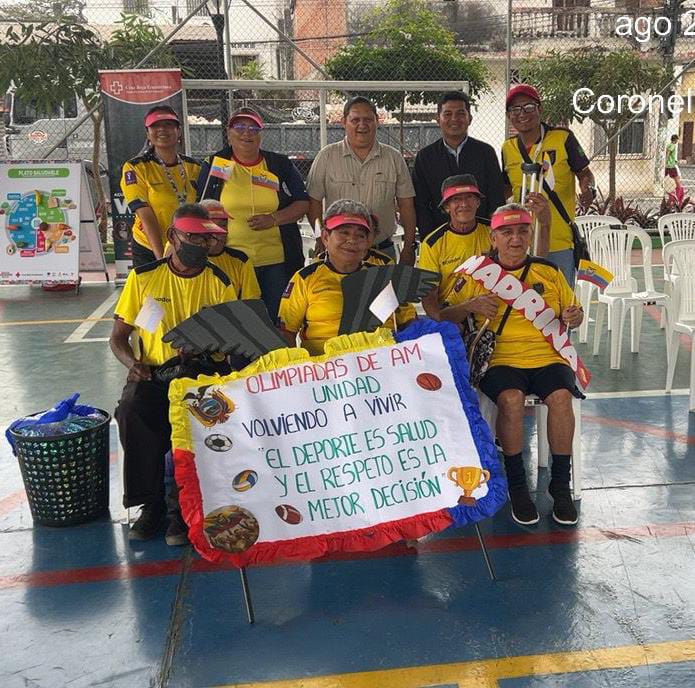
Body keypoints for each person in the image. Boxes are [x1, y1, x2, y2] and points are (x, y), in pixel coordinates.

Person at [433, 203, 583, 527]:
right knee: (511, 399)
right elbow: (442, 315)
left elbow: (575, 313)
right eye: (506, 232)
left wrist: (574, 316)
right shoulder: (475, 273)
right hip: (498, 358)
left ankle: (560, 485)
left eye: (522, 231)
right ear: (493, 237)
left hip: (547, 356)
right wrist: (471, 305)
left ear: (530, 234)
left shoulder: (549, 271)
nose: (515, 239)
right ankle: (517, 485)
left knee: (561, 398)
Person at [110, 204, 237, 545]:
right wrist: (133, 364)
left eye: (205, 238)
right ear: (173, 237)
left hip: (201, 373)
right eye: (192, 236)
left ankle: (184, 506)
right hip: (154, 373)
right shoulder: (143, 278)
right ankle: (150, 504)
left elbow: (230, 343)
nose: (200, 244)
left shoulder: (220, 282)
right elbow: (118, 339)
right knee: (131, 411)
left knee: (206, 418)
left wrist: (205, 347)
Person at [197, 107, 309, 321]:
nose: (246, 133)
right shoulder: (217, 164)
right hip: (232, 261)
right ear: (229, 133)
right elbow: (202, 208)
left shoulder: (279, 164)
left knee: (277, 320)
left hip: (276, 261)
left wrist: (274, 219)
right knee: (237, 321)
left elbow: (303, 202)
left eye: (253, 128)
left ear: (261, 134)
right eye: (239, 127)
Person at [279, 199, 416, 354]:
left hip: (381, 362)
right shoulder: (305, 279)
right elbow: (286, 331)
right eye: (344, 232)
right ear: (325, 237)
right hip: (326, 365)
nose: (352, 240)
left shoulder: (386, 278)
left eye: (360, 235)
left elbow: (410, 321)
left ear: (368, 242)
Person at [501, 84, 595, 286]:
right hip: (521, 244)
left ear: (540, 109)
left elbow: (584, 173)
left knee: (560, 300)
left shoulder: (563, 138)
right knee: (524, 301)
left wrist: (588, 189)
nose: (522, 114)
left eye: (528, 107)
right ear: (509, 115)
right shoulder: (508, 148)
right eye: (515, 109)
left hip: (558, 242)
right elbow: (506, 188)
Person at [306, 96, 418, 265]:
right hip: (339, 253)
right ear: (344, 122)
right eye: (355, 120)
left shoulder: (394, 158)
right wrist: (319, 238)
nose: (362, 125)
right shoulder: (326, 157)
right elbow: (313, 202)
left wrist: (409, 247)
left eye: (368, 120)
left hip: (382, 251)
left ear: (377, 121)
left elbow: (406, 205)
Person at [420, 174, 549, 315]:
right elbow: (428, 297)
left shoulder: (494, 231)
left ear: (478, 202)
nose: (464, 204)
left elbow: (534, 260)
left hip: (496, 309)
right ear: (446, 207)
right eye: (456, 199)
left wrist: (545, 224)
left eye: (469, 197)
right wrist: (444, 323)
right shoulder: (432, 243)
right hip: (453, 314)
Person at [412, 91, 506, 239]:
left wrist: (494, 236)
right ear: (438, 119)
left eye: (460, 113)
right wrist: (430, 238)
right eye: (447, 114)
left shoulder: (485, 152)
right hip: (441, 239)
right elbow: (421, 204)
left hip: (482, 237)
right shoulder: (425, 157)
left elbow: (496, 198)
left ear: (470, 119)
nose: (454, 119)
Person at [121, 106, 201, 268]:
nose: (162, 129)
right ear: (147, 133)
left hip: (187, 246)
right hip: (150, 249)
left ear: (179, 131)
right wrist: (162, 260)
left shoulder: (194, 167)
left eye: (168, 124)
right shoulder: (135, 167)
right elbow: (146, 216)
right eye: (155, 126)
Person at [198, 199, 262, 300]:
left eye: (223, 225)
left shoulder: (241, 260)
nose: (219, 230)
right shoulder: (187, 259)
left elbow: (251, 300)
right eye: (211, 225)